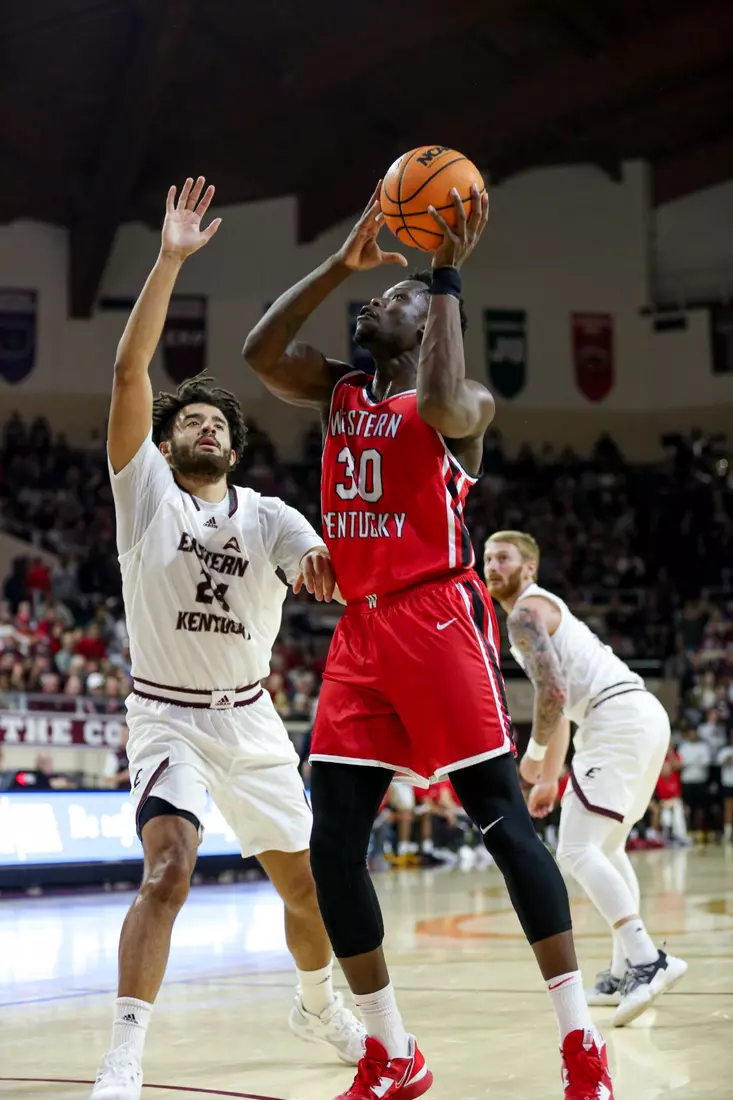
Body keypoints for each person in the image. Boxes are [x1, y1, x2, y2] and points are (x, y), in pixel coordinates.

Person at [244, 184, 612, 1099]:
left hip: (437, 619)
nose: (377, 301)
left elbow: (444, 395)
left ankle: (580, 1046)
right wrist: (340, 263)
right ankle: (392, 1050)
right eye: (379, 295)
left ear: (430, 322)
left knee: (500, 824)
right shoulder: (337, 389)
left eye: (397, 298)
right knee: (332, 846)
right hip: (361, 632)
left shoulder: (463, 402)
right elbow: (257, 354)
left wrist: (446, 272)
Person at [89, 178, 364, 1100]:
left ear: (233, 450)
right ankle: (124, 1053)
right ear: (164, 447)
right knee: (167, 872)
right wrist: (168, 260)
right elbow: (131, 376)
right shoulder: (146, 497)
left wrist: (320, 565)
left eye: (217, 422)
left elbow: (312, 556)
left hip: (251, 725)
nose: (203, 424)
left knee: (309, 894)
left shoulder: (269, 514)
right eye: (189, 421)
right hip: (167, 720)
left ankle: (316, 1000)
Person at [483, 530, 687, 1028]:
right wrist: (550, 778)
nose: (492, 565)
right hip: (630, 715)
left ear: (528, 567)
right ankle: (622, 973)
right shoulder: (534, 614)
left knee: (575, 849)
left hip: (615, 719)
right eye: (487, 557)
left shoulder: (525, 615)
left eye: (503, 557)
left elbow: (552, 694)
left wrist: (531, 758)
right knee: (608, 847)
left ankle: (648, 960)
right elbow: (564, 705)